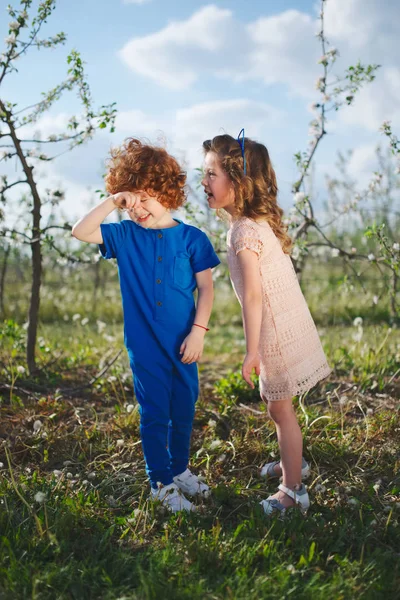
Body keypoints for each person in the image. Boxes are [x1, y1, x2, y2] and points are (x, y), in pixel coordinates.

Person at [72, 138, 220, 513]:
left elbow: (206, 290)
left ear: (167, 192)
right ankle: (161, 483)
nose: (137, 209)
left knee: (184, 408)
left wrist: (199, 332)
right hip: (145, 346)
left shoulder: (191, 239)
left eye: (144, 199)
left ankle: (180, 469)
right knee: (155, 412)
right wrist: (113, 202)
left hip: (184, 344)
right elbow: (80, 231)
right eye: (130, 201)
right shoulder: (123, 235)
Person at [201, 132, 331, 516]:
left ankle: (293, 491)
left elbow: (255, 296)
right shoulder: (252, 222)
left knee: (279, 410)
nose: (204, 182)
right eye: (204, 173)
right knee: (279, 405)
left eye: (211, 174)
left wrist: (252, 350)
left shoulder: (244, 232)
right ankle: (295, 462)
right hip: (285, 322)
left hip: (275, 330)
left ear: (238, 182)